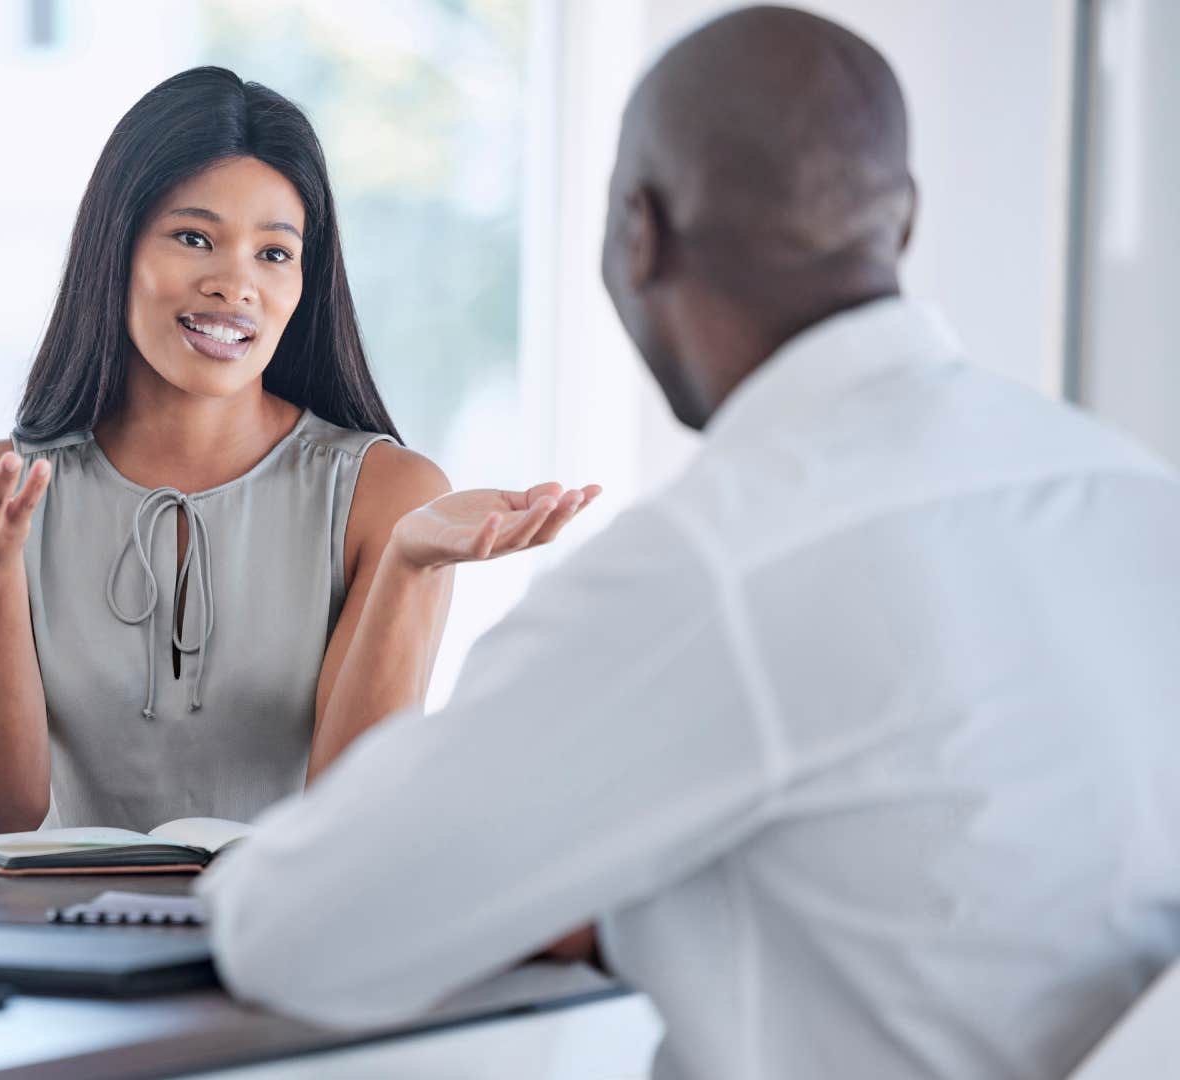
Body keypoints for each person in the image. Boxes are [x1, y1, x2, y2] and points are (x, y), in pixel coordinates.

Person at [197, 8, 1180, 1079]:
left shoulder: (718, 562)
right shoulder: (1130, 493)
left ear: (638, 232)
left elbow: (294, 935)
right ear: (901, 224)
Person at [0, 67, 598, 835]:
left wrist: (409, 566)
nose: (235, 284)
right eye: (194, 238)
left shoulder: (387, 494)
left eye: (275, 254)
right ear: (115, 250)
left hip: (285, 943)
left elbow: (353, 813)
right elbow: (7, 810)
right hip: (62, 942)